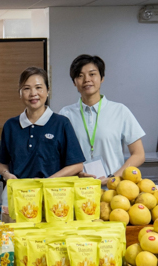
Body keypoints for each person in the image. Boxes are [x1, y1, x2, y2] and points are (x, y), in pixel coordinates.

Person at [59, 54, 145, 185]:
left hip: (113, 189)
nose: (87, 79)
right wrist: (76, 173)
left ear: (102, 78)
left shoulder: (120, 111)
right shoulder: (65, 114)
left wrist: (113, 177)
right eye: (80, 76)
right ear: (74, 82)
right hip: (78, 188)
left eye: (92, 74)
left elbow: (138, 154)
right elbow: (59, 156)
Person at [0, 67, 84, 181]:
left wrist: (48, 181)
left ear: (48, 90)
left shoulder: (61, 123)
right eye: (27, 88)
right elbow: (1, 163)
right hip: (19, 193)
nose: (33, 93)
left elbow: (77, 165)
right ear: (20, 93)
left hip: (52, 193)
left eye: (38, 88)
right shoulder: (10, 126)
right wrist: (6, 174)